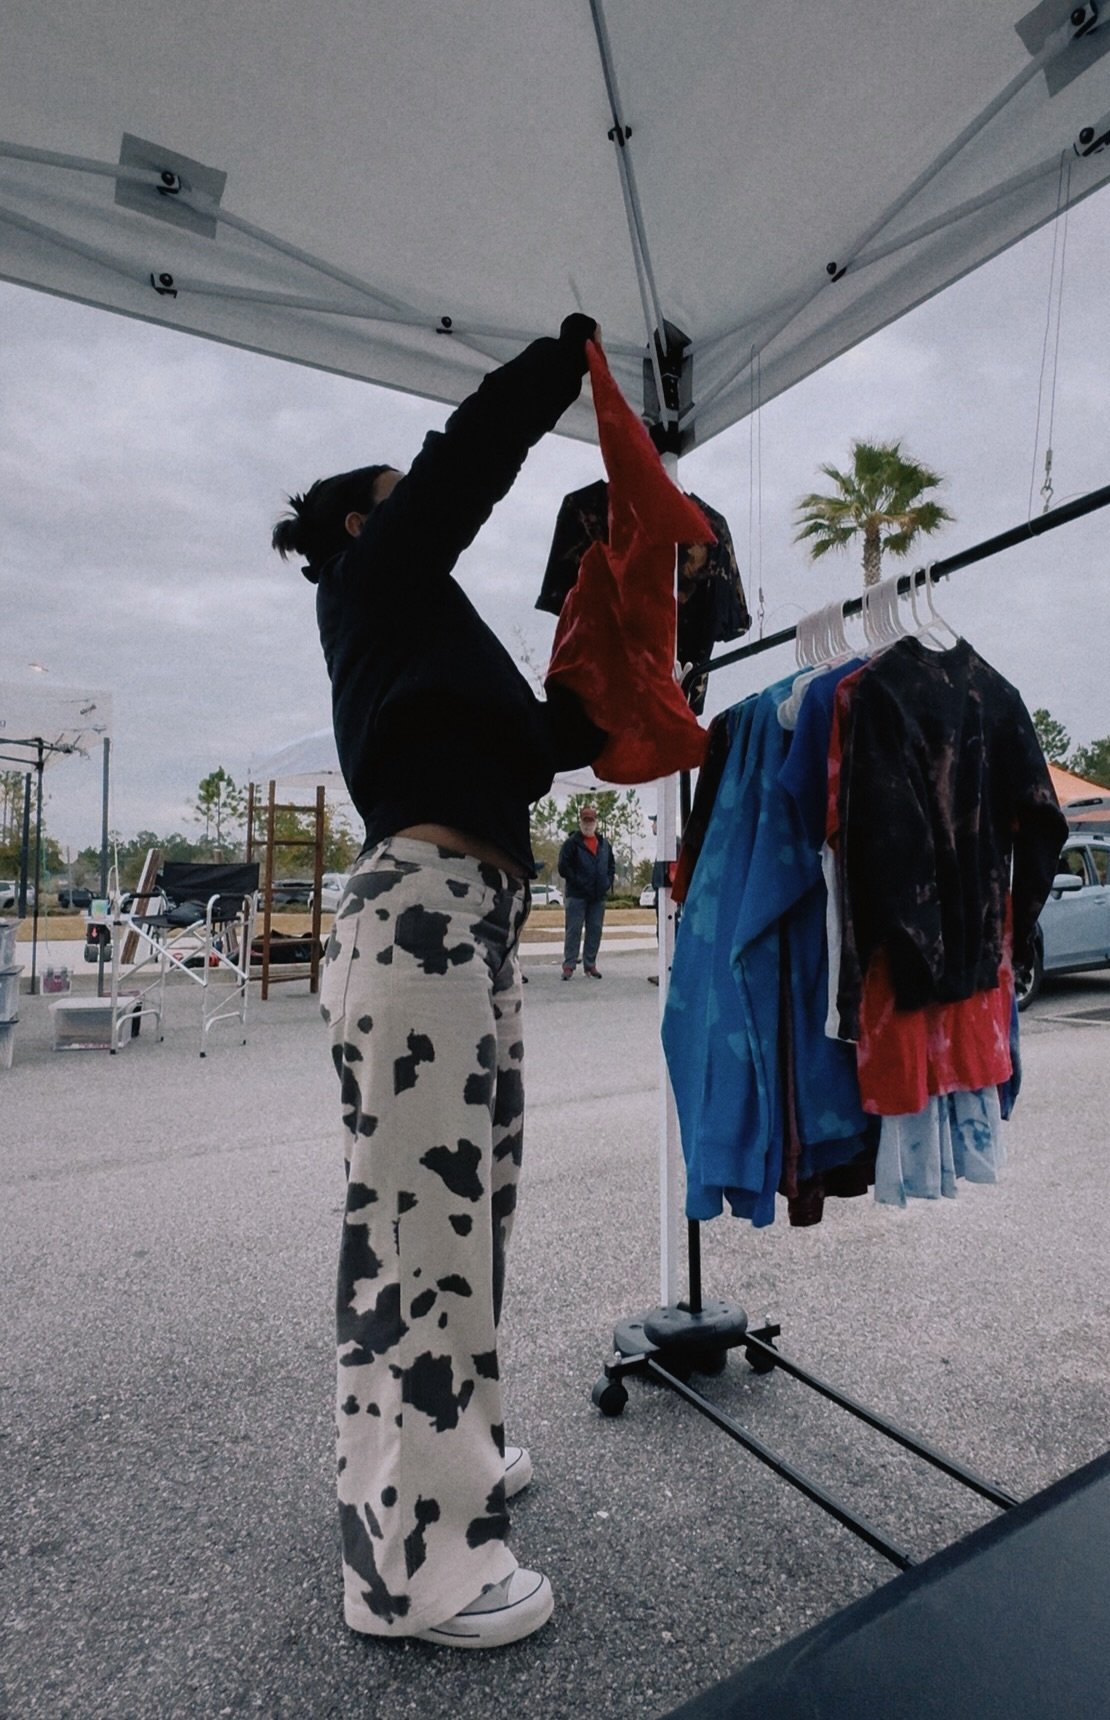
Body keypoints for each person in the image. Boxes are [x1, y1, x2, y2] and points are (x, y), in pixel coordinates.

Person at [271, 313, 604, 1651]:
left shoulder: (429, 632)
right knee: (423, 1232)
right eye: (397, 496)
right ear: (361, 523)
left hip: (466, 921)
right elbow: (465, 463)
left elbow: (549, 740)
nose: (421, 504)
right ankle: (417, 1569)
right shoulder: (373, 584)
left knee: (461, 1219)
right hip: (417, 916)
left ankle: (440, 1457)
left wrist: (636, 624)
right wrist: (556, 367)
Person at [557, 805, 615, 978]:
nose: (588, 824)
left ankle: (590, 964)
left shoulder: (604, 844)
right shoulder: (571, 843)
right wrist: (578, 881)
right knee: (573, 930)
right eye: (585, 820)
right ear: (580, 821)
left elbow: (611, 866)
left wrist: (607, 882)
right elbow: (563, 867)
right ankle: (569, 965)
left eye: (591, 821)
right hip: (577, 895)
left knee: (595, 930)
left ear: (596, 822)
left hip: (598, 896)